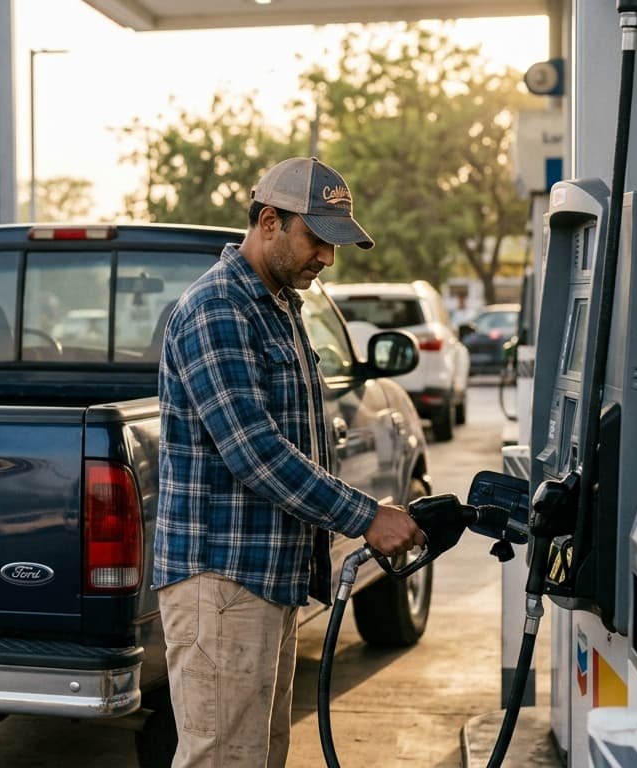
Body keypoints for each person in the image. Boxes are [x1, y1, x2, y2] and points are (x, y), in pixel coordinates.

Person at [153, 156, 425, 767]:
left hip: (261, 580)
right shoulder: (218, 308)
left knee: (258, 755)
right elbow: (256, 451)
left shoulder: (276, 306)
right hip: (222, 581)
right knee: (224, 758)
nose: (328, 259)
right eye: (318, 239)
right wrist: (364, 516)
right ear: (270, 221)